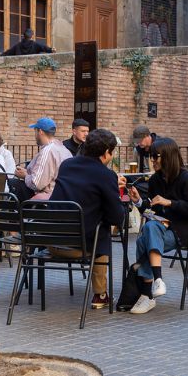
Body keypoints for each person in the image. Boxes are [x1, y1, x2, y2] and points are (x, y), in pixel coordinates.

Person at [49, 129, 127, 309]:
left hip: (51, 241)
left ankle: (101, 294)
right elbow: (116, 217)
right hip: (79, 247)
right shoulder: (106, 175)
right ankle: (100, 295)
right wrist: (113, 188)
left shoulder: (67, 165)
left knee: (95, 222)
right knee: (103, 227)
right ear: (107, 152)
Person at [127, 137, 188, 314]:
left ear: (167, 156)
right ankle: (157, 281)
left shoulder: (186, 178)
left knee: (146, 234)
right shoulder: (155, 180)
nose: (152, 160)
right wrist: (138, 202)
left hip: (182, 231)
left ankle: (147, 295)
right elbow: (151, 210)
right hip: (160, 230)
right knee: (149, 230)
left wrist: (170, 203)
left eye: (155, 156)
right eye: (150, 156)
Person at [11, 117, 72, 201]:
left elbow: (37, 184)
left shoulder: (48, 151)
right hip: (63, 196)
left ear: (40, 131)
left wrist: (25, 176)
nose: (35, 135)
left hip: (48, 199)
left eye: (35, 131)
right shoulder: (64, 149)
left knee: (12, 183)